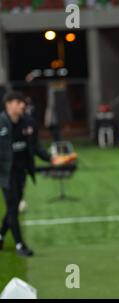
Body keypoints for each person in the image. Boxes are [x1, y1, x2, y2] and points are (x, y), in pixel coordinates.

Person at [0, 91, 53, 257]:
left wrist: (51, 158)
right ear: (8, 104)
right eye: (18, 102)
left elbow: (36, 146)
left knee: (13, 208)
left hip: (21, 172)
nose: (22, 105)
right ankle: (19, 245)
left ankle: (1, 234)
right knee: (12, 207)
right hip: (5, 173)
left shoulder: (28, 123)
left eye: (23, 102)